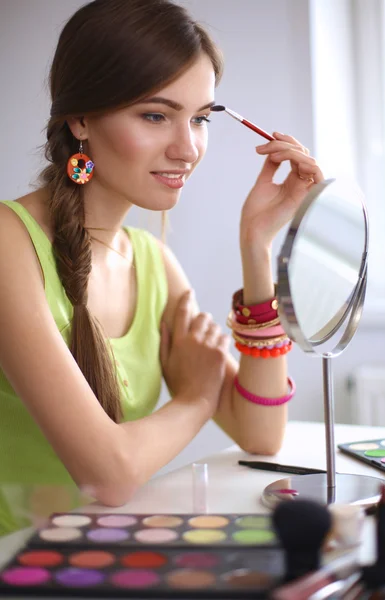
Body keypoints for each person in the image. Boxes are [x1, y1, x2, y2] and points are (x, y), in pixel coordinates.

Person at [0, 0, 323, 511]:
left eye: (199, 119)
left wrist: (257, 247)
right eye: (156, 115)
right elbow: (108, 477)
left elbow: (262, 434)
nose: (188, 148)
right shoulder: (8, 244)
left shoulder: (152, 263)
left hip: (97, 557)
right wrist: (196, 397)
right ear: (80, 119)